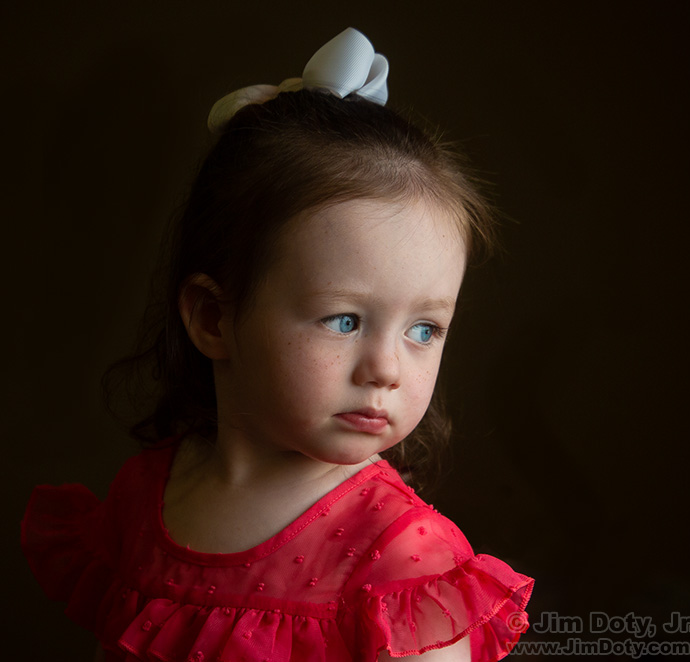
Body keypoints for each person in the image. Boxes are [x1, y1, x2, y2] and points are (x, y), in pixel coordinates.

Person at [22, 28, 533, 661]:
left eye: (424, 330)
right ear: (214, 318)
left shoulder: (406, 561)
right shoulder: (143, 498)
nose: (388, 368)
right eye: (344, 321)